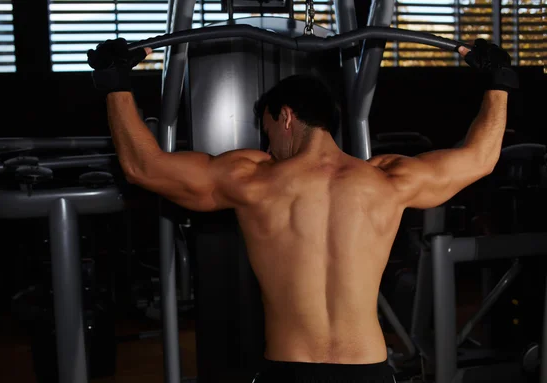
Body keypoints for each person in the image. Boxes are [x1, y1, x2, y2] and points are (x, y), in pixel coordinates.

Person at [87, 38, 518, 383]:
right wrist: (498, 82)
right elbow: (480, 158)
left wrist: (115, 85)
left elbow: (142, 167)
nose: (267, 144)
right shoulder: (389, 180)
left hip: (290, 369)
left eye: (268, 130)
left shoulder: (255, 179)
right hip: (366, 370)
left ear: (286, 116)